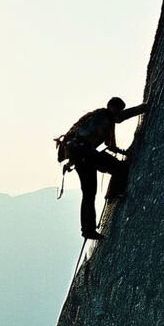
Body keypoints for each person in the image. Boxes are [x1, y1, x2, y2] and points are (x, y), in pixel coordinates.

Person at [55, 97, 147, 239]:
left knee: (89, 193)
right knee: (118, 169)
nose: (119, 114)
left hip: (82, 157)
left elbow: (108, 142)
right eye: (118, 110)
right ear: (113, 107)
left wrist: (122, 152)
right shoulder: (103, 118)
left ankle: (89, 229)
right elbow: (109, 138)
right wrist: (142, 108)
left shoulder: (98, 116)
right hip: (86, 155)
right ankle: (112, 195)